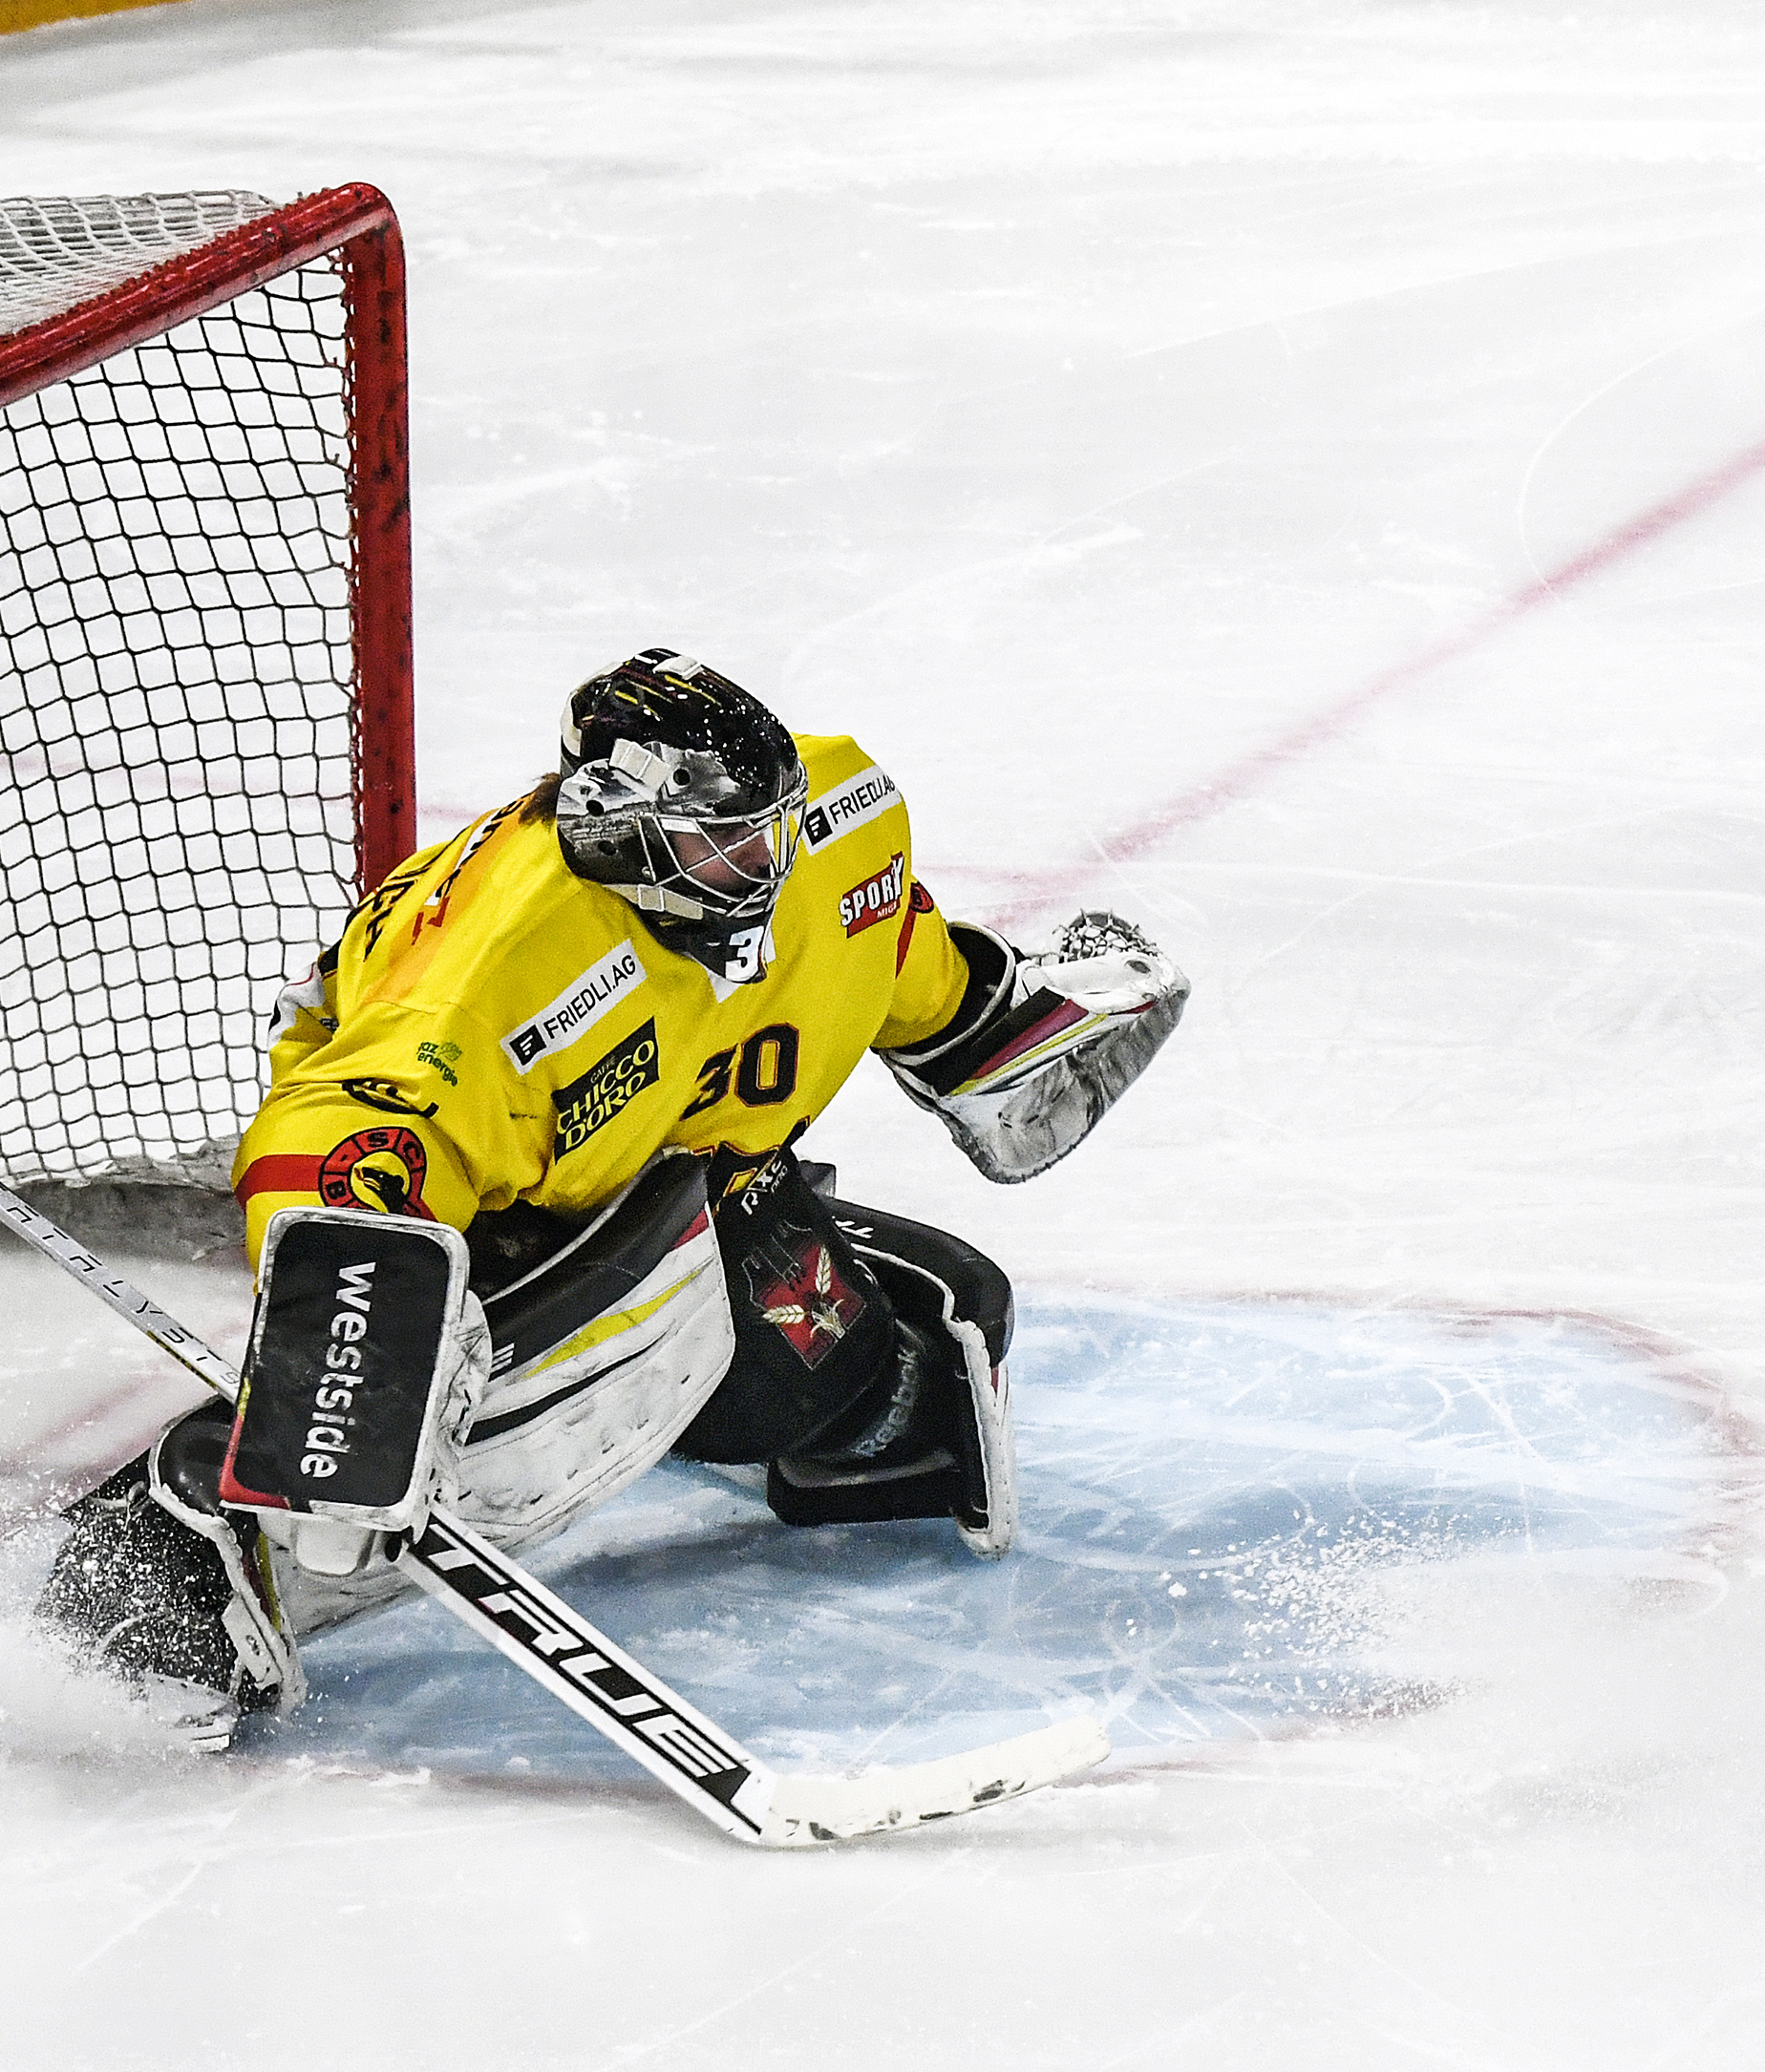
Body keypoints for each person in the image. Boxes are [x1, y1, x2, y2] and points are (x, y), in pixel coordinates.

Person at [32, 650, 1188, 1744]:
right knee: (542, 1400)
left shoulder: (832, 823)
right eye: (725, 847)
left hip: (694, 1162)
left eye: (770, 832)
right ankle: (174, 1554)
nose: (767, 869)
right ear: (614, 829)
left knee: (854, 1381)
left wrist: (1000, 1019)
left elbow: (906, 967)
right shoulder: (503, 972)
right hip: (477, 1194)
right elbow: (340, 1123)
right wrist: (369, 1316)